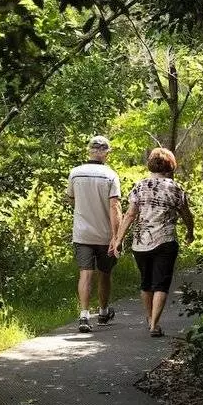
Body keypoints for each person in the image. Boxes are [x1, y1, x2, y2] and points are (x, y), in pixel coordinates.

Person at [109, 147, 194, 337]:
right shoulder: (175, 187)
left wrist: (118, 240)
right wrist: (190, 232)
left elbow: (130, 215)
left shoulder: (140, 186)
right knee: (161, 284)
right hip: (165, 241)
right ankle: (154, 324)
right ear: (170, 165)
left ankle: (149, 318)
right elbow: (186, 214)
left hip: (141, 243)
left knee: (146, 283)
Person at [65, 135, 122, 333]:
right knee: (105, 274)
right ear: (107, 153)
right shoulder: (111, 175)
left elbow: (72, 199)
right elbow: (115, 207)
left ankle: (84, 315)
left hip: (82, 233)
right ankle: (104, 311)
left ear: (89, 150)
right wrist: (117, 236)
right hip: (105, 234)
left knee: (85, 274)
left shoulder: (75, 173)